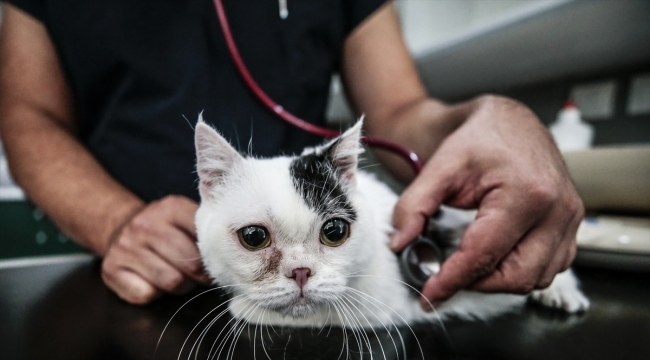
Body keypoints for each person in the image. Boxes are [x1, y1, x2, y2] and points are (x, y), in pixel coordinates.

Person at [0, 0, 583, 310]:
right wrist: (115, 222)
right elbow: (26, 114)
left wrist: (491, 120)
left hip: (319, 288)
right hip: (134, 278)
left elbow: (400, 110)